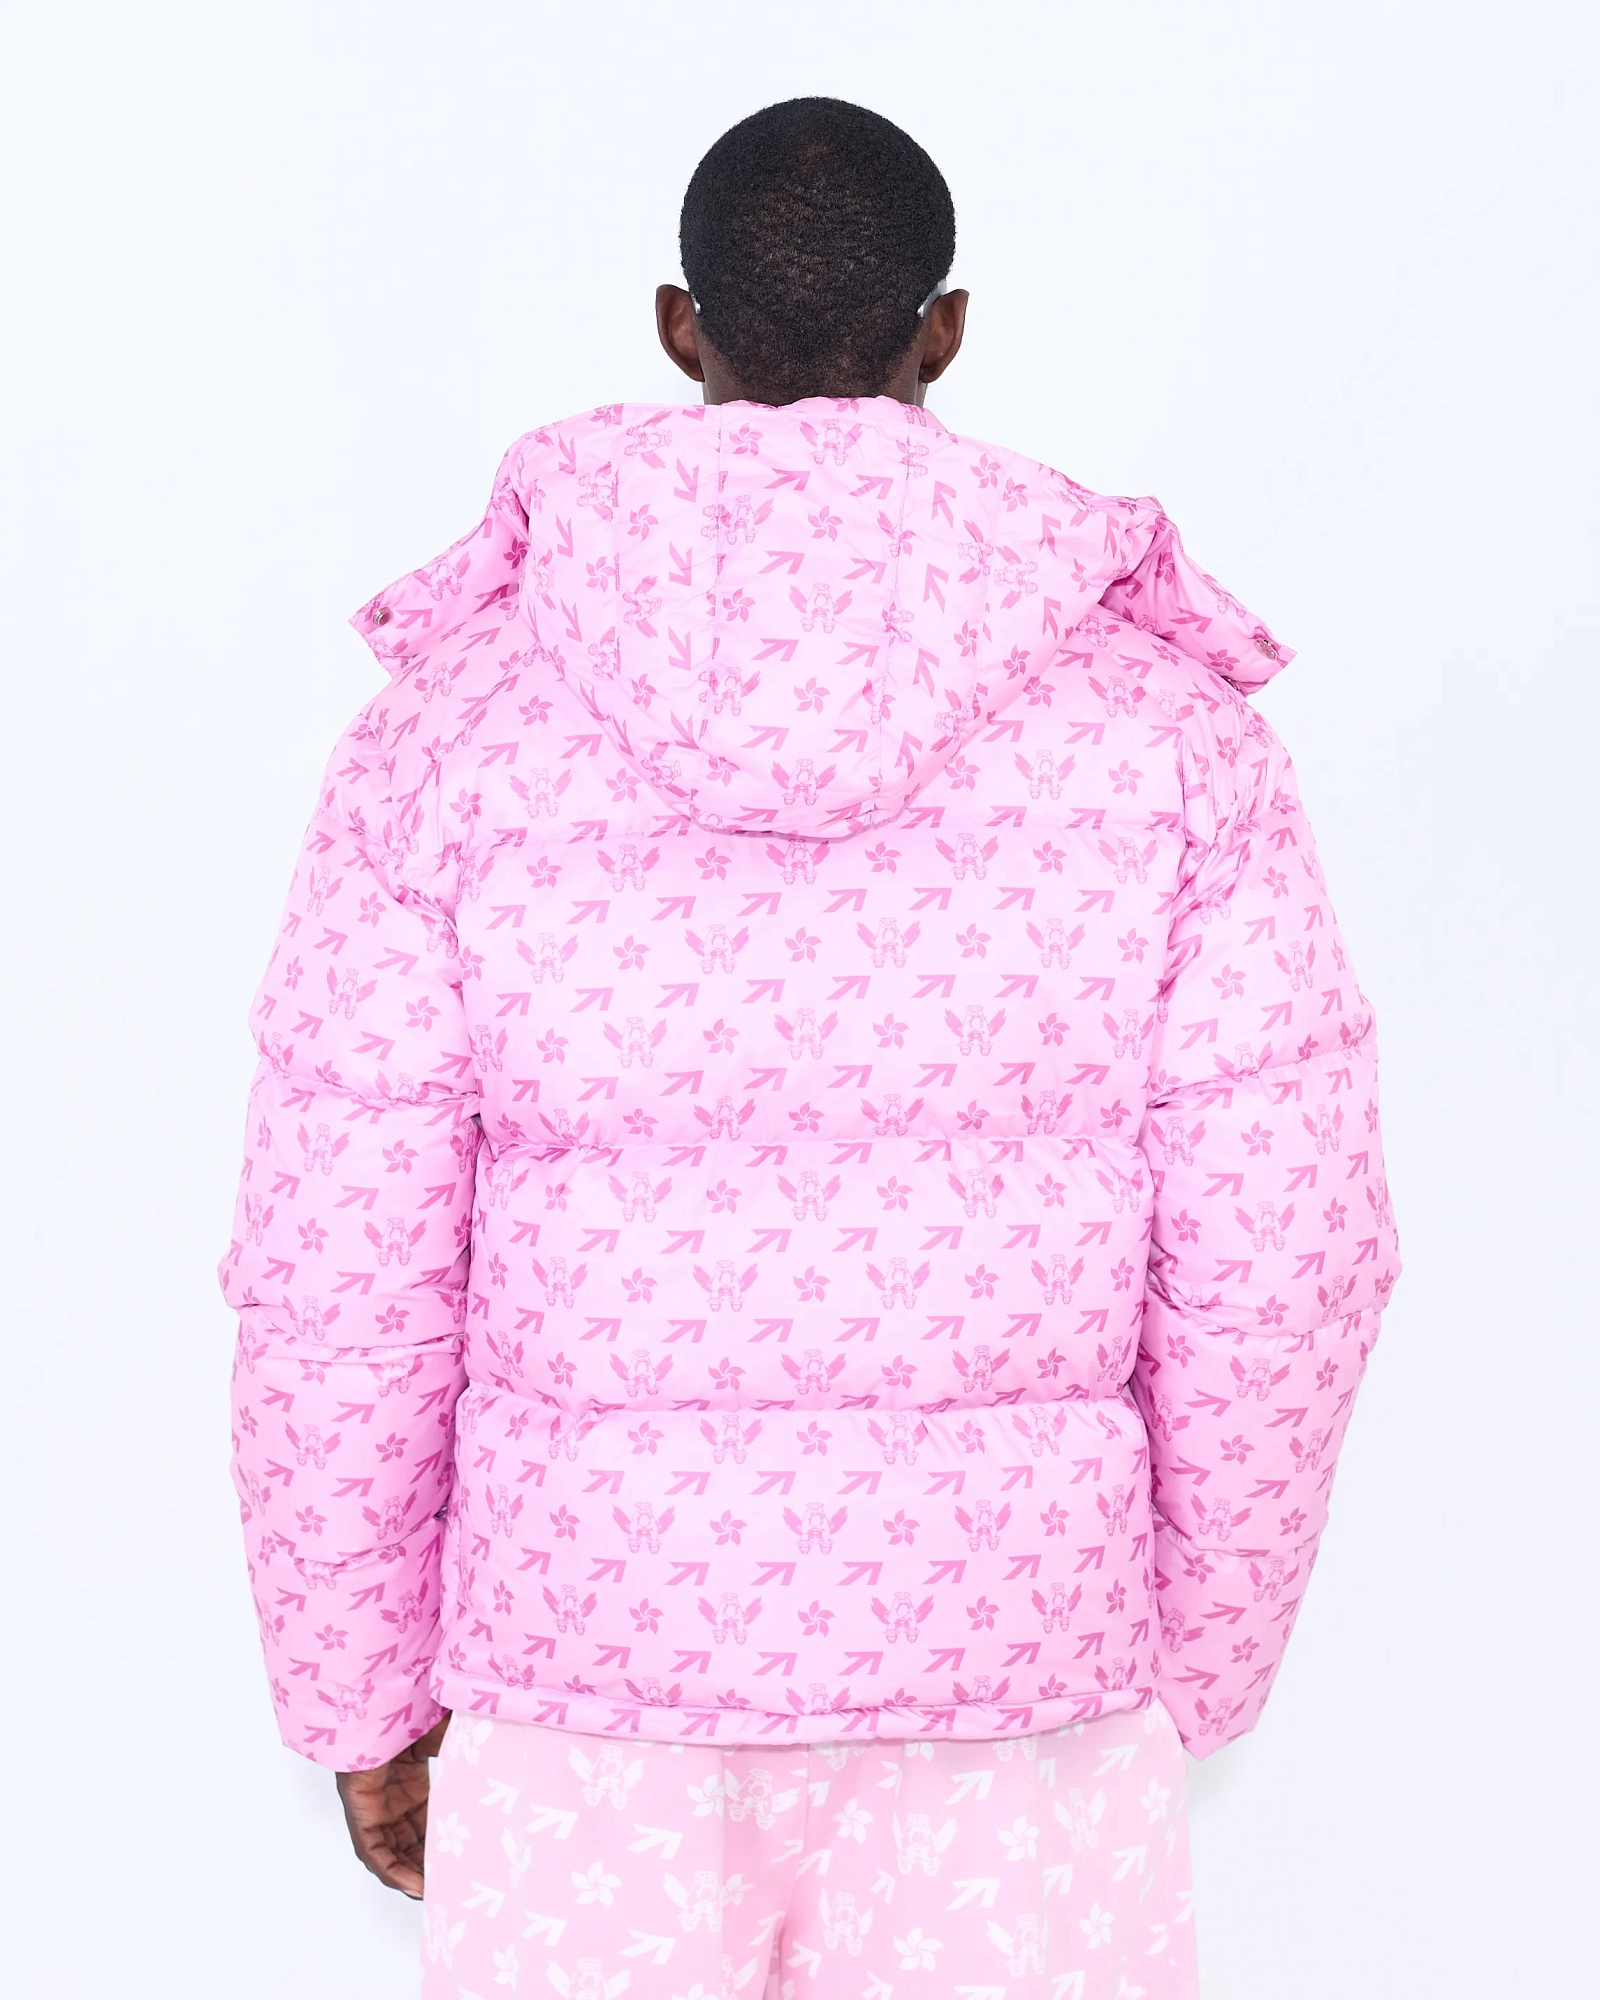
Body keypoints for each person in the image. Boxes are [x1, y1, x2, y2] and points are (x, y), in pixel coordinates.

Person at [221, 96, 1399, 1999]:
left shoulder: (451, 732)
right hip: (1019, 1661)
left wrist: (356, 1690)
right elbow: (1289, 1253)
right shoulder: (1172, 735)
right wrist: (1193, 1652)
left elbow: (337, 1274)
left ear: (681, 327)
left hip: (587, 1659)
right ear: (944, 333)